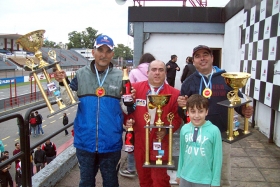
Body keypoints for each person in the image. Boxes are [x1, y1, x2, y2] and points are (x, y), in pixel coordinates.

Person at [54, 34, 134, 187]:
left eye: (108, 51)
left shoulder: (121, 76)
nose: (104, 54)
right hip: (85, 141)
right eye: (100, 50)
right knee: (86, 182)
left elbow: (127, 108)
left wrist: (130, 100)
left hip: (111, 141)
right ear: (93, 52)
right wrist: (62, 83)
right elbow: (69, 100)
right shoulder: (81, 74)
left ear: (113, 53)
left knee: (111, 182)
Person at [177, 45, 254, 187]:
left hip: (222, 136)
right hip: (196, 138)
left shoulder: (226, 79)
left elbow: (237, 100)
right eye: (198, 56)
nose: (202, 58)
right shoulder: (188, 82)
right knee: (195, 174)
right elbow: (182, 112)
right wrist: (181, 105)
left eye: (205, 54)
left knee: (222, 176)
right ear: (193, 61)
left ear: (212, 58)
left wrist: (244, 110)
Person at [125, 60, 182, 187]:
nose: (157, 73)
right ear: (147, 72)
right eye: (154, 70)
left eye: (161, 70)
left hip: (160, 142)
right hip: (140, 140)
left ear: (165, 73)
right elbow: (125, 111)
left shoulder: (174, 93)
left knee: (160, 180)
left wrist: (166, 130)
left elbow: (177, 118)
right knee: (144, 180)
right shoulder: (135, 89)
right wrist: (127, 121)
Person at [119, 52, 156, 178]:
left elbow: (128, 93)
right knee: (152, 136)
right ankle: (151, 164)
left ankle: (131, 168)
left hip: (137, 107)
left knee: (133, 136)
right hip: (154, 108)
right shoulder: (157, 71)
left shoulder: (134, 72)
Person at [176, 94, 222, 187]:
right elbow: (182, 153)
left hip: (204, 180)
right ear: (187, 112)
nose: (196, 116)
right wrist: (179, 174)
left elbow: (217, 158)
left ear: (206, 112)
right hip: (185, 177)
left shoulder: (214, 131)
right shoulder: (184, 129)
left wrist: (215, 181)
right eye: (193, 111)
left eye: (200, 111)